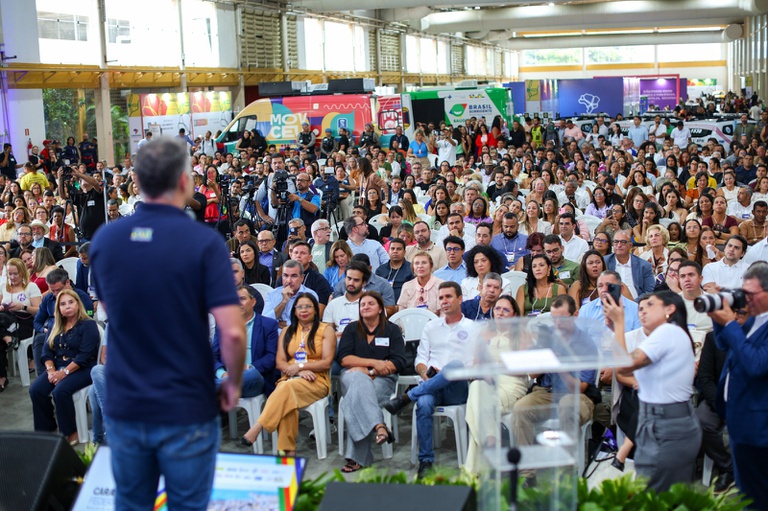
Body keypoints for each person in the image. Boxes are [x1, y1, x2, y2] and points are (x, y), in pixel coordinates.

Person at [90, 138, 246, 510]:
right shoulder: (203, 241)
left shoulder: (106, 239)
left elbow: (112, 308)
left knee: (131, 503)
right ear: (184, 181)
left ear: (138, 181)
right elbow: (234, 330)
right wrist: (233, 383)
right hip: (185, 403)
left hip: (127, 401)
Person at [604, 290, 700, 492]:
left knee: (656, 494)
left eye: (651, 305)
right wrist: (616, 329)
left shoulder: (668, 332)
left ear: (670, 309)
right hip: (657, 420)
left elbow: (622, 366)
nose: (643, 311)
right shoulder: (664, 336)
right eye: (641, 308)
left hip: (667, 424)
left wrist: (620, 323)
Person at [385, 281, 476, 478]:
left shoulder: (472, 327)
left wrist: (445, 373)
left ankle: (406, 398)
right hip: (431, 385)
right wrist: (425, 373)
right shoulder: (431, 327)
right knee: (424, 403)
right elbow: (420, 360)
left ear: (460, 299)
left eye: (449, 297)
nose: (444, 301)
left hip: (458, 387)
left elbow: (471, 365)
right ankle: (426, 461)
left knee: (454, 366)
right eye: (441, 297)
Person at [511, 295, 598, 479]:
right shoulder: (547, 337)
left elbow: (581, 387)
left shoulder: (586, 343)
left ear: (574, 315)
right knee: (520, 409)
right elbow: (533, 375)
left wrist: (561, 366)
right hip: (546, 391)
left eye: (562, 318)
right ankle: (528, 473)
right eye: (554, 318)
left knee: (568, 405)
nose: (557, 323)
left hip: (575, 395)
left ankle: (566, 470)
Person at [240, 293, 335, 453]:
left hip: (317, 381)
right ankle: (287, 452)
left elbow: (326, 361)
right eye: (299, 307)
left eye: (308, 306)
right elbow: (280, 362)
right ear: (294, 310)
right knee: (287, 395)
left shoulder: (325, 330)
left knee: (285, 390)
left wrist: (300, 367)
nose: (304, 310)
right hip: (290, 379)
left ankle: (258, 427)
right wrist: (298, 371)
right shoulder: (287, 332)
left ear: (315, 309)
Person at [708, 261, 768, 508]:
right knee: (746, 492)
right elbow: (725, 346)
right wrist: (718, 319)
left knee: (760, 494)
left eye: (751, 294)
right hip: (739, 418)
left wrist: (731, 324)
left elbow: (756, 364)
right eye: (743, 292)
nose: (746, 299)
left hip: (761, 427)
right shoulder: (754, 319)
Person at [337, 291, 406, 472]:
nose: (365, 307)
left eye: (370, 304)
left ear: (380, 308)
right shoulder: (352, 329)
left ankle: (357, 457)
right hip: (352, 376)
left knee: (356, 398)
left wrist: (372, 371)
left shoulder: (392, 330)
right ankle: (379, 425)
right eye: (362, 305)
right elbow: (343, 358)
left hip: (383, 378)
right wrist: (372, 364)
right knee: (359, 382)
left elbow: (399, 361)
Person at [464, 294, 527, 472]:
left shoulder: (522, 333)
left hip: (512, 382)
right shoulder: (484, 333)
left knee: (479, 409)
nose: (500, 313)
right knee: (476, 387)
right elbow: (477, 365)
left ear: (514, 314)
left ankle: (474, 469)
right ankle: (491, 443)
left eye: (506, 310)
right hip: (488, 381)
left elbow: (522, 368)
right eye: (497, 309)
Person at [29, 290, 99, 444]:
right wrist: (51, 370)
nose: (67, 306)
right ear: (58, 308)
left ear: (77, 304)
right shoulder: (55, 324)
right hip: (58, 366)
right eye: (63, 304)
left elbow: (84, 356)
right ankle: (47, 429)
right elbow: (46, 351)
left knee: (60, 391)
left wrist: (64, 373)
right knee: (36, 390)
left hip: (83, 368)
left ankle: (70, 433)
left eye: (71, 302)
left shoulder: (88, 325)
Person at [213, 286, 278, 397]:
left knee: (251, 375)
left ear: (253, 302)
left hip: (255, 378)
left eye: (242, 298)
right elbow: (213, 356)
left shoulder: (268, 325)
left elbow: (271, 357)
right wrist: (222, 374)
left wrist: (248, 367)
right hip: (227, 375)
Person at [32, 268, 94, 375]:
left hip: (74, 333)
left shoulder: (82, 298)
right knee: (40, 339)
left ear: (67, 282)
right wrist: (44, 330)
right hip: (52, 332)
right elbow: (37, 321)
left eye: (58, 290)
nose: (56, 294)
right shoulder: (48, 298)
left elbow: (88, 320)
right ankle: (45, 374)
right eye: (53, 290)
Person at [0, 258, 43, 391]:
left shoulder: (31, 287)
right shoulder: (3, 287)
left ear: (22, 273)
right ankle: (7, 338)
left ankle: (2, 377)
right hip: (5, 320)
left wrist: (23, 307)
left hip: (25, 321)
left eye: (15, 274)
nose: (12, 277)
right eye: (9, 274)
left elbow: (39, 311)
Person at [263, 259, 319, 328]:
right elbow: (265, 322)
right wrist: (283, 302)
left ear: (302, 278)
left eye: (294, 276)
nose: (289, 281)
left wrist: (288, 326)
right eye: (285, 276)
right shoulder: (272, 294)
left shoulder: (310, 295)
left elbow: (310, 323)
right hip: (275, 336)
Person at [57, 166, 106, 241]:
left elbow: (95, 183)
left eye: (86, 178)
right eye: (82, 180)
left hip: (100, 234)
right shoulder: (79, 196)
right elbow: (63, 196)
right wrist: (60, 179)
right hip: (84, 235)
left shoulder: (96, 193)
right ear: (79, 183)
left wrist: (78, 174)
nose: (85, 181)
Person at [604, 230, 655, 298]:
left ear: (630, 245)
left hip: (636, 305)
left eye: (623, 242)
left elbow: (649, 291)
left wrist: (634, 304)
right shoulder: (604, 262)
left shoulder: (644, 266)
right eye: (616, 242)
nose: (619, 245)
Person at [374, 238, 414, 302]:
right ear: (388, 251)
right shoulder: (380, 270)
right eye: (392, 249)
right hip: (383, 305)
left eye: (399, 249)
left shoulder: (411, 269)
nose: (395, 251)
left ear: (404, 252)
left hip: (404, 305)